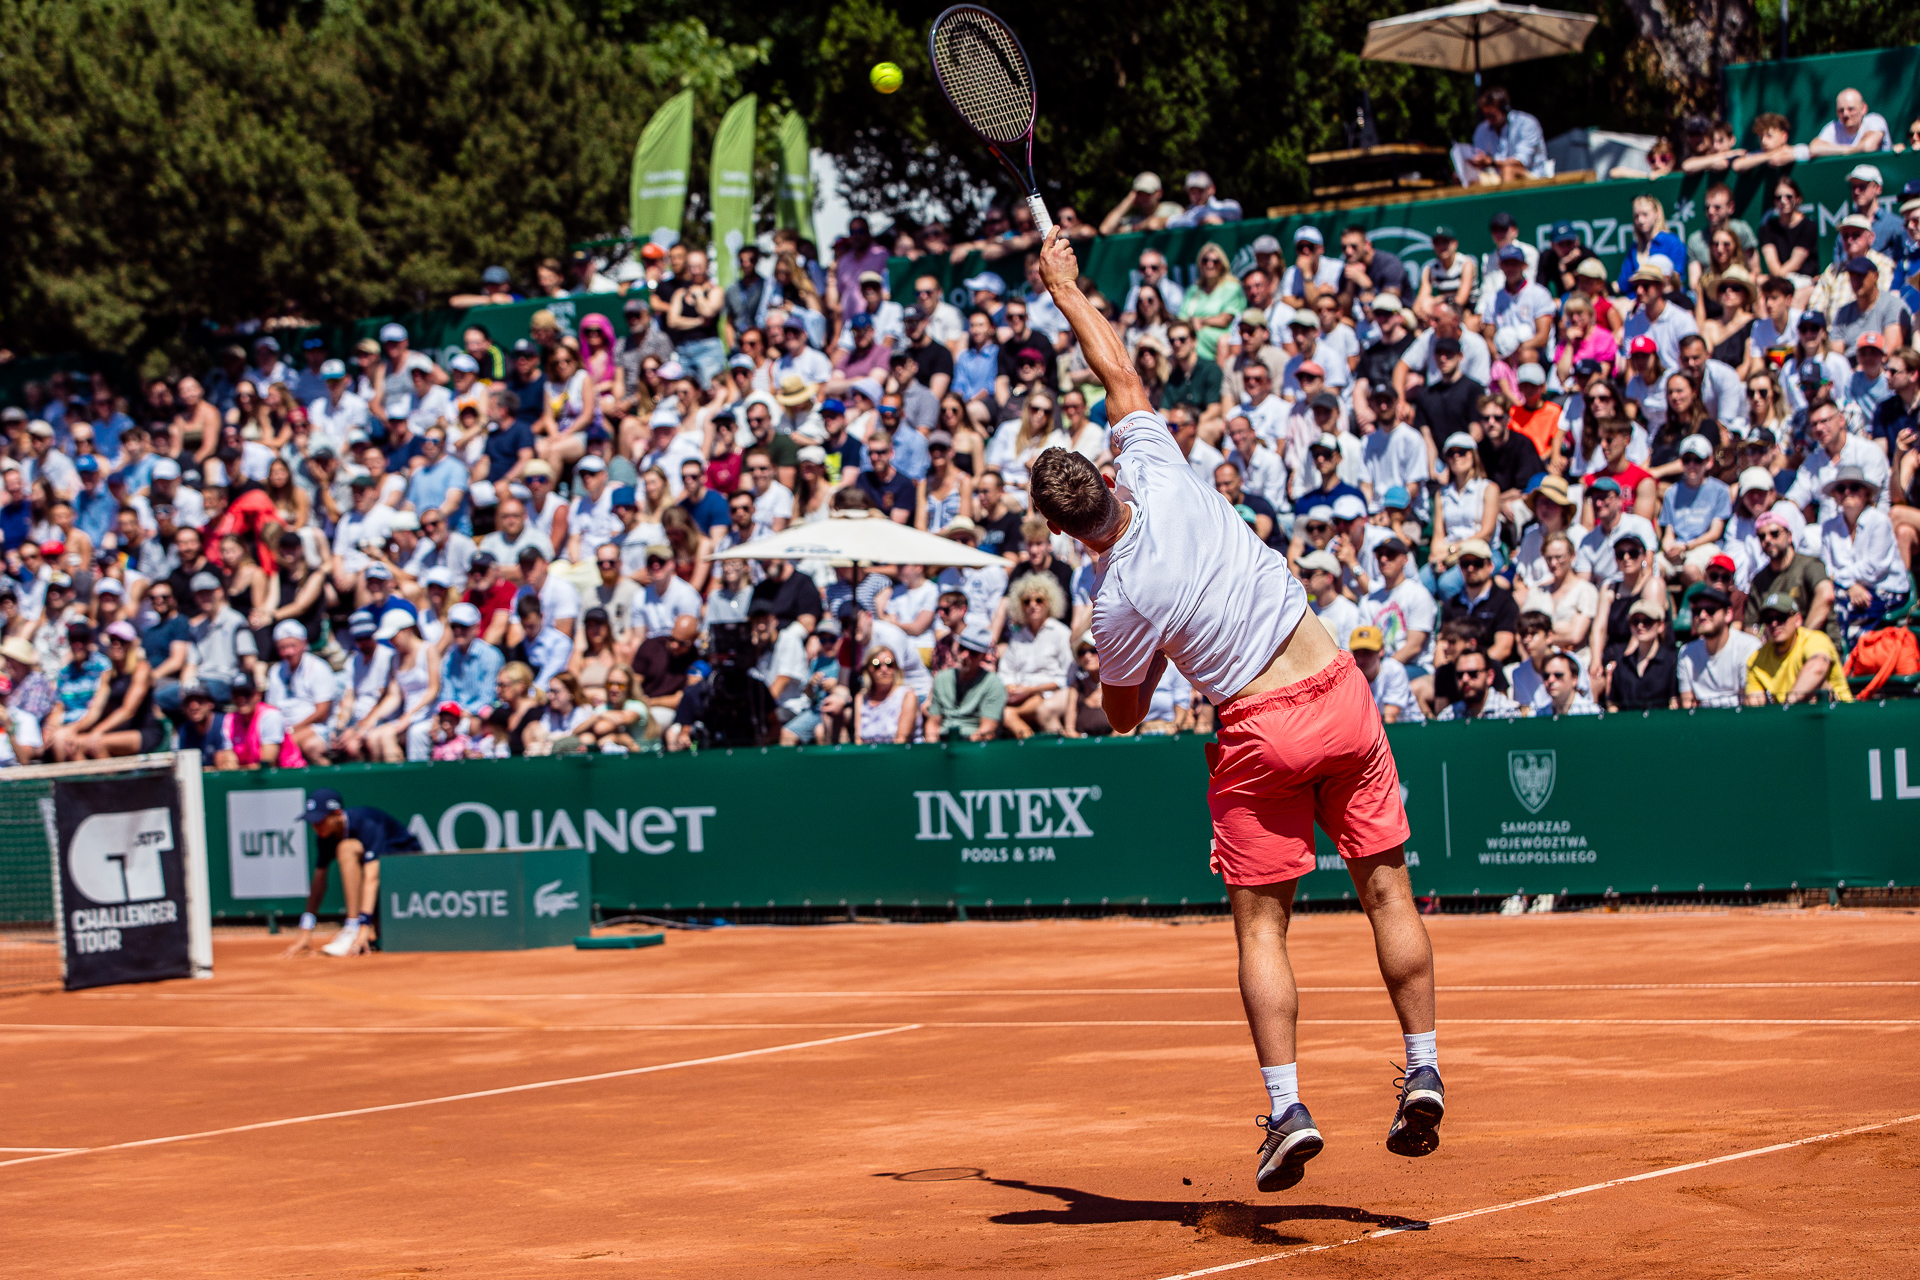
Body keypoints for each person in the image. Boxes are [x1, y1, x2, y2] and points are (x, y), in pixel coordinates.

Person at [1027, 227, 1439, 1190]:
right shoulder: (1162, 466)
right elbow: (1118, 367)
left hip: (1258, 728)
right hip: (1338, 687)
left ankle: (1288, 1104)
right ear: (1111, 472)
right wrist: (1064, 285)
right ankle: (1423, 1069)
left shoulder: (1115, 596)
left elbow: (1124, 715)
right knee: (1389, 892)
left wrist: (1120, 645)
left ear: (1060, 527)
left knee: (1263, 930)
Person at [281, 788, 422, 959]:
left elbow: (372, 877)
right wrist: (306, 930)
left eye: (320, 820)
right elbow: (319, 882)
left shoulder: (368, 821)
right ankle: (355, 928)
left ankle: (353, 927)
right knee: (382, 940)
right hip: (379, 885)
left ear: (337, 814)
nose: (315, 827)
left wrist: (363, 928)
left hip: (408, 872)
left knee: (346, 848)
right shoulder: (324, 835)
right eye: (312, 822)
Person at [1819, 465, 1910, 644]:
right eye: (1840, 488)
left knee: (1839, 608)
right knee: (1823, 601)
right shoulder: (1828, 527)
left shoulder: (1879, 521)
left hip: (1885, 587)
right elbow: (1824, 566)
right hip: (1847, 589)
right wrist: (1850, 585)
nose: (1846, 492)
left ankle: (1848, 659)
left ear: (1866, 493)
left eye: (1853, 487)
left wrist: (1842, 581)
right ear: (1835, 496)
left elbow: (1873, 568)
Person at [1746, 591, 1854, 705]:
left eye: (1781, 617)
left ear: (1797, 620)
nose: (1774, 624)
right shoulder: (1756, 659)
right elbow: (1755, 704)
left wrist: (1788, 705)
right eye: (1768, 620)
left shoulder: (1814, 639)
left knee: (1819, 689)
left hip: (1839, 714)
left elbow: (1817, 668)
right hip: (1790, 719)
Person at [1677, 586, 1760, 709]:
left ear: (1728, 614)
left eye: (1710, 610)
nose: (1702, 615)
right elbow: (1687, 704)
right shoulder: (1686, 653)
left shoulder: (1748, 647)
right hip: (1701, 724)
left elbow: (1750, 704)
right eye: (1697, 611)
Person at [922, 624, 1005, 741]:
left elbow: (988, 729)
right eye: (962, 648)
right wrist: (934, 750)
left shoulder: (993, 683)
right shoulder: (941, 678)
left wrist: (962, 751)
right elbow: (933, 723)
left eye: (973, 652)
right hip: (942, 743)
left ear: (983, 656)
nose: (965, 655)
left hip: (973, 746)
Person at [1599, 598, 1678, 711]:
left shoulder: (1672, 661)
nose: (1641, 626)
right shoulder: (1622, 664)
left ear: (1661, 625)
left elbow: (1674, 703)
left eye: (1647, 621)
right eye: (1635, 621)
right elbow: (1614, 705)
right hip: (1628, 726)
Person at [1469, 86, 1548, 182]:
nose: (1488, 119)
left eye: (1491, 115)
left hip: (1534, 178)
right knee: (1465, 178)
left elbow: (1520, 162)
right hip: (1499, 178)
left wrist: (1491, 162)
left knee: (1508, 170)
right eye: (1485, 115)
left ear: (1505, 109)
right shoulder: (1482, 129)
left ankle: (1506, 197)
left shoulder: (1526, 123)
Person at [1435, 648, 1522, 720]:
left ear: (1489, 676)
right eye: (1460, 675)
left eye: (1473, 673)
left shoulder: (1508, 715)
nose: (1465, 679)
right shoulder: (1448, 717)